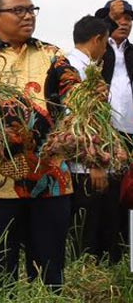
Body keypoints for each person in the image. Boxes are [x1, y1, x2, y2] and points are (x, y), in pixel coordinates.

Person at [0, 0, 81, 291]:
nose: (28, 16)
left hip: (48, 180)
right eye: (18, 10)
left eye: (31, 10)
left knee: (50, 271)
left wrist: (85, 98)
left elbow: (72, 87)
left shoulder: (52, 56)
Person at [64, 15, 117, 261]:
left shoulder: (64, 63)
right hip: (84, 164)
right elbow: (84, 119)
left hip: (73, 162)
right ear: (97, 39)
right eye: (105, 43)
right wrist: (96, 164)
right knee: (84, 228)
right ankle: (83, 271)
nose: (105, 49)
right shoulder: (82, 71)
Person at [89, 0, 133, 263]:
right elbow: (91, 26)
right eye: (119, 17)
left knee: (127, 193)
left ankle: (125, 251)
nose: (125, 22)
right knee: (102, 193)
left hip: (129, 132)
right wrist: (107, 18)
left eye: (129, 18)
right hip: (103, 131)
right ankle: (99, 254)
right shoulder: (97, 52)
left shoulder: (132, 52)